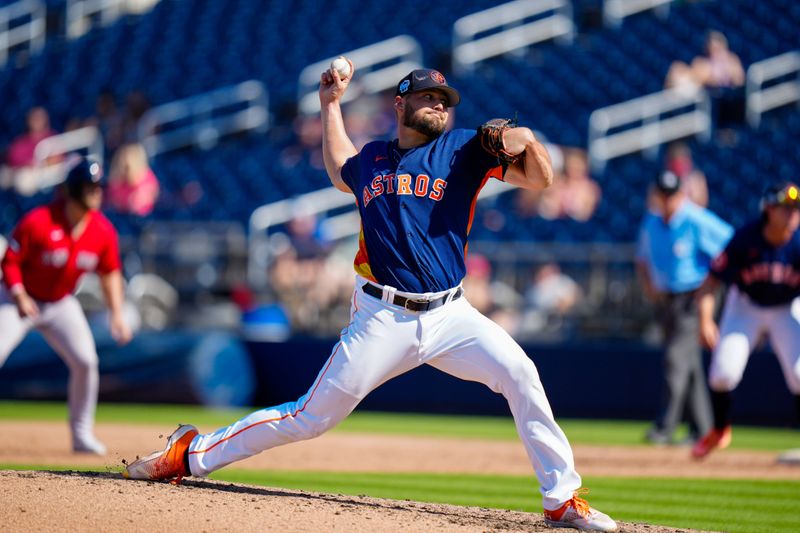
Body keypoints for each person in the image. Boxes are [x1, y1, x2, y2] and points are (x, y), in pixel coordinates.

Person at [124, 63, 617, 532]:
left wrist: (526, 139)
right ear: (400, 105)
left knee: (521, 372)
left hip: (452, 314)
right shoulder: (374, 159)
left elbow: (541, 178)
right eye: (428, 96)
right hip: (382, 316)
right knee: (309, 418)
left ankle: (561, 501)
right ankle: (191, 452)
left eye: (445, 100)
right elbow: (340, 167)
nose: (439, 106)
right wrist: (330, 104)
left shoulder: (464, 151)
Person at [0, 156, 133, 454]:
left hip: (60, 303)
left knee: (86, 362)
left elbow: (110, 272)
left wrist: (117, 315)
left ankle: (82, 434)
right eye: (90, 187)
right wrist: (19, 295)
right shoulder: (39, 221)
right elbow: (10, 261)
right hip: (18, 297)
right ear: (73, 189)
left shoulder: (102, 231)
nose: (97, 193)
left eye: (99, 187)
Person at [691, 182, 800, 459]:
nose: (792, 215)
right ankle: (719, 429)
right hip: (746, 305)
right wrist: (705, 320)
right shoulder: (746, 239)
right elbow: (710, 283)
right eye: (785, 208)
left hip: (786, 307)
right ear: (768, 210)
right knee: (723, 373)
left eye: (795, 209)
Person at [636, 170, 734, 445]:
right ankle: (703, 429)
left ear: (681, 194)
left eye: (672, 195)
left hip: (695, 297)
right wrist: (648, 285)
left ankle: (664, 427)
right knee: (688, 365)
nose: (667, 201)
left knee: (675, 359)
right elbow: (641, 258)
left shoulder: (695, 218)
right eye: (662, 195)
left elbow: (732, 246)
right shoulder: (652, 221)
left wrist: (713, 282)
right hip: (667, 299)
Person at [105, 143, 160, 216]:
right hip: (121, 217)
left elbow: (140, 203)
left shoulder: (146, 177)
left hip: (142, 219)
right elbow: (114, 200)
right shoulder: (117, 180)